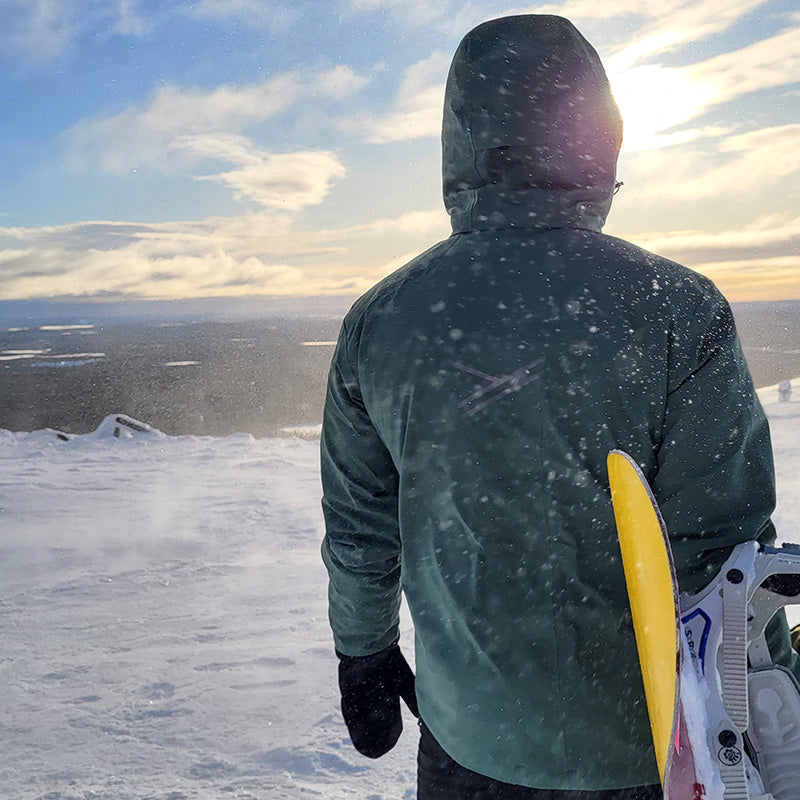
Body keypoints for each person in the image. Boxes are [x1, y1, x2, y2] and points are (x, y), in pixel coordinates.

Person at [320, 14, 796, 800]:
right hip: (645, 746)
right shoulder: (675, 307)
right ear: (598, 139)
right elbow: (724, 553)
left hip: (468, 736)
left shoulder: (381, 320)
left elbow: (363, 525)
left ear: (463, 140)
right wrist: (774, 705)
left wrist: (362, 651)